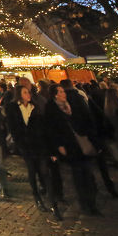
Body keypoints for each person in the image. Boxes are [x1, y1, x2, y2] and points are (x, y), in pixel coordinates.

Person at [6, 84, 62, 219]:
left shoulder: (35, 108)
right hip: (26, 147)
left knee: (45, 172)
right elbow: (13, 128)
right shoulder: (13, 108)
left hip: (40, 146)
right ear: (19, 95)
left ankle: (53, 203)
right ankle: (37, 197)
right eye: (25, 92)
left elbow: (44, 129)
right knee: (32, 171)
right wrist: (21, 144)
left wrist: (50, 149)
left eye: (29, 92)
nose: (28, 95)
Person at [45, 83, 100, 215]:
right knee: (78, 175)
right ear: (55, 95)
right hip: (69, 145)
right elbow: (51, 130)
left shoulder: (71, 104)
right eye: (61, 92)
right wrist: (58, 146)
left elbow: (85, 120)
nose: (64, 94)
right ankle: (85, 203)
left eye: (63, 91)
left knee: (88, 174)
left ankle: (92, 203)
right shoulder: (51, 109)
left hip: (82, 141)